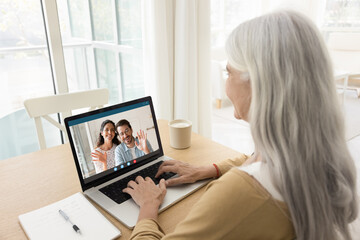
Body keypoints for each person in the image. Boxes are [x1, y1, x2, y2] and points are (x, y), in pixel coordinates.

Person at [122, 10, 358, 240]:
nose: (226, 85)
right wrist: (209, 170)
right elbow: (254, 157)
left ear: (260, 85)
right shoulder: (314, 155)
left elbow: (244, 187)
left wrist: (148, 208)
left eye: (228, 73)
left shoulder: (241, 193)